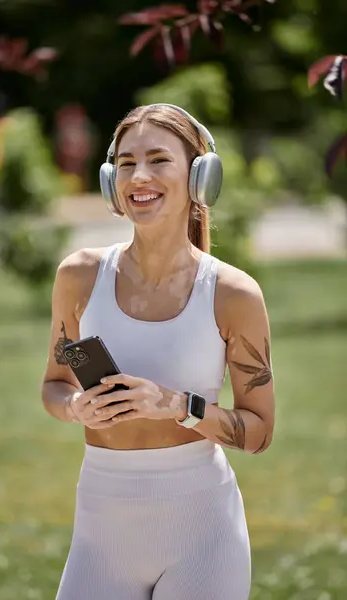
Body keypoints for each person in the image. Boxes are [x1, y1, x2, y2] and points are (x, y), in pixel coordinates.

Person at [41, 103, 275, 600]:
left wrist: (176, 405)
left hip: (203, 534)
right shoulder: (78, 276)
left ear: (199, 177)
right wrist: (74, 408)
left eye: (157, 159)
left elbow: (258, 433)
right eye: (125, 163)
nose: (138, 176)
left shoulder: (233, 293)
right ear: (110, 181)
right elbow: (55, 385)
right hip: (100, 529)